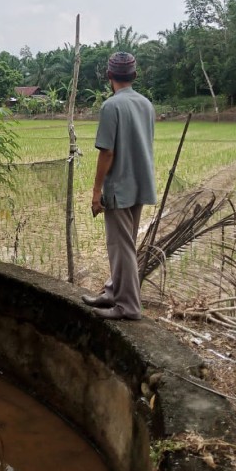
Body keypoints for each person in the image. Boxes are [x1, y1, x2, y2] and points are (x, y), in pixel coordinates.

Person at [82, 51, 156, 321]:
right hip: (140, 183)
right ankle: (113, 291)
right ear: (134, 76)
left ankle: (128, 306)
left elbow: (107, 153)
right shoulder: (146, 104)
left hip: (119, 187)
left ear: (109, 76)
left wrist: (95, 192)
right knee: (126, 243)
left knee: (120, 245)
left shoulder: (111, 107)